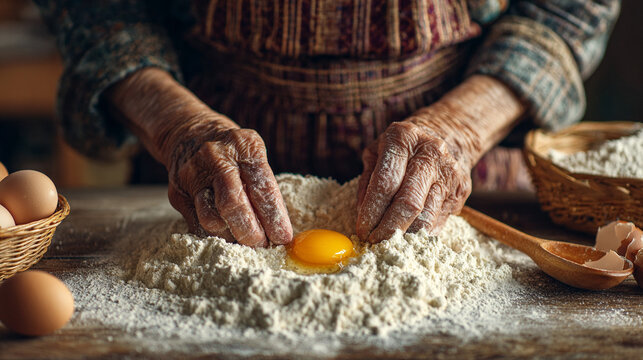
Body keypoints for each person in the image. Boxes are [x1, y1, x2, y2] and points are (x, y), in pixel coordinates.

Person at [35, 0, 620, 247]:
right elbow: (97, 8)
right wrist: (175, 126)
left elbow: (565, 9)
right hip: (201, 180)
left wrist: (461, 129)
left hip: (457, 173)